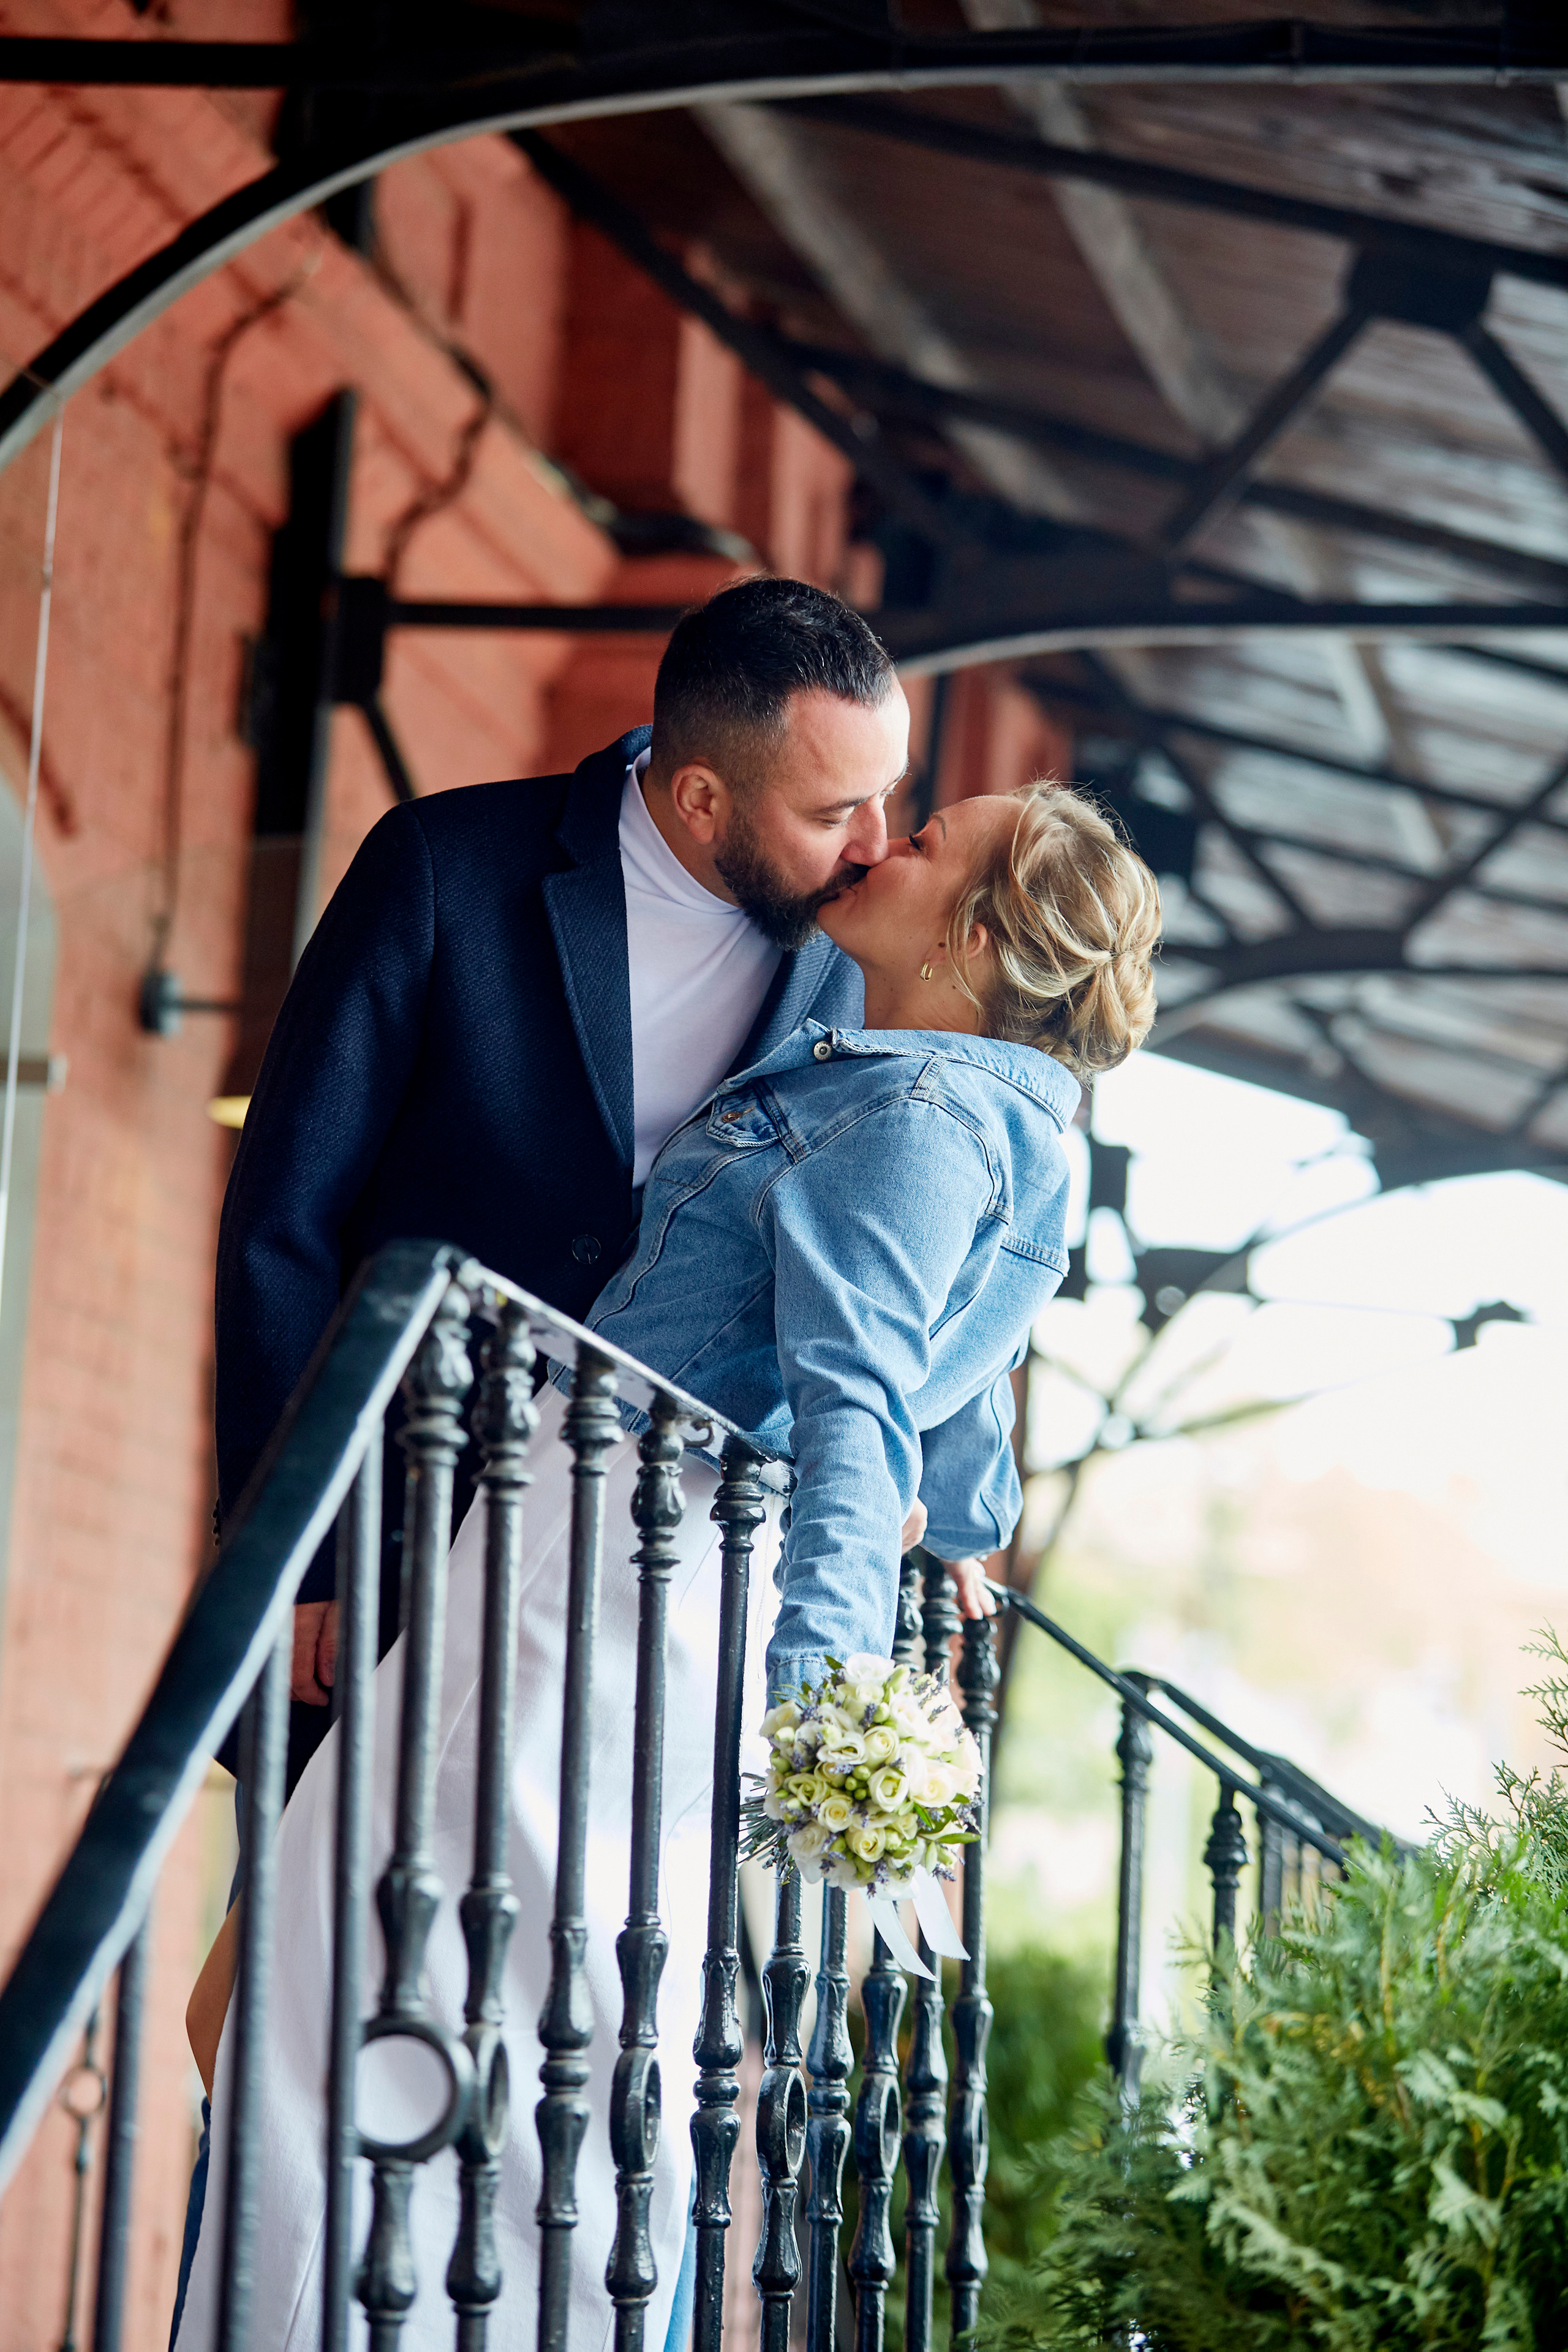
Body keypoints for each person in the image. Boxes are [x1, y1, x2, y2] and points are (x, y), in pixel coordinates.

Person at [175, 777, 1161, 2351]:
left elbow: (856, 1424)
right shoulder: (1003, 1123)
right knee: (365, 2012)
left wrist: (826, 1714)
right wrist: (964, 1536)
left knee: (338, 2016)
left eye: (923, 844)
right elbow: (956, 1389)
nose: (876, 842)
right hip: (611, 1564)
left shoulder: (907, 1118)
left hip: (599, 1573)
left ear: (971, 938)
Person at [170, 578, 907, 2346]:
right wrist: (300, 1551)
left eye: (887, 797)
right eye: (836, 806)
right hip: (401, 1550)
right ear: (705, 791)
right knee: (291, 2001)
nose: (878, 841)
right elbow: (286, 1222)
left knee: (583, 2051)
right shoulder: (446, 868)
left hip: (648, 1612)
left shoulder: (856, 959)